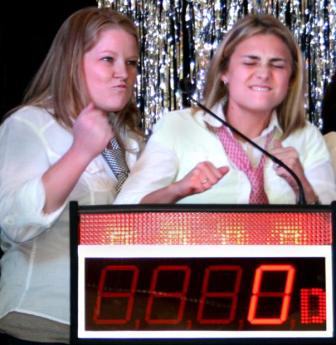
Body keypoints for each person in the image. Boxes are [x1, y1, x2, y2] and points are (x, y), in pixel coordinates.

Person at [0, 6, 144, 344]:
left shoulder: (132, 141)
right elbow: (14, 223)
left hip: (115, 323)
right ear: (72, 62)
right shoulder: (29, 125)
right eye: (108, 59)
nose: (123, 73)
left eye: (131, 62)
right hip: (42, 324)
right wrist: (80, 152)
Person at [115, 14, 336, 205]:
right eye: (250, 62)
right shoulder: (178, 126)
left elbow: (331, 229)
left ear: (291, 78)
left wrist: (302, 187)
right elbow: (124, 210)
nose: (263, 74)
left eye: (277, 65)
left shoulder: (306, 136)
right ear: (224, 72)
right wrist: (177, 190)